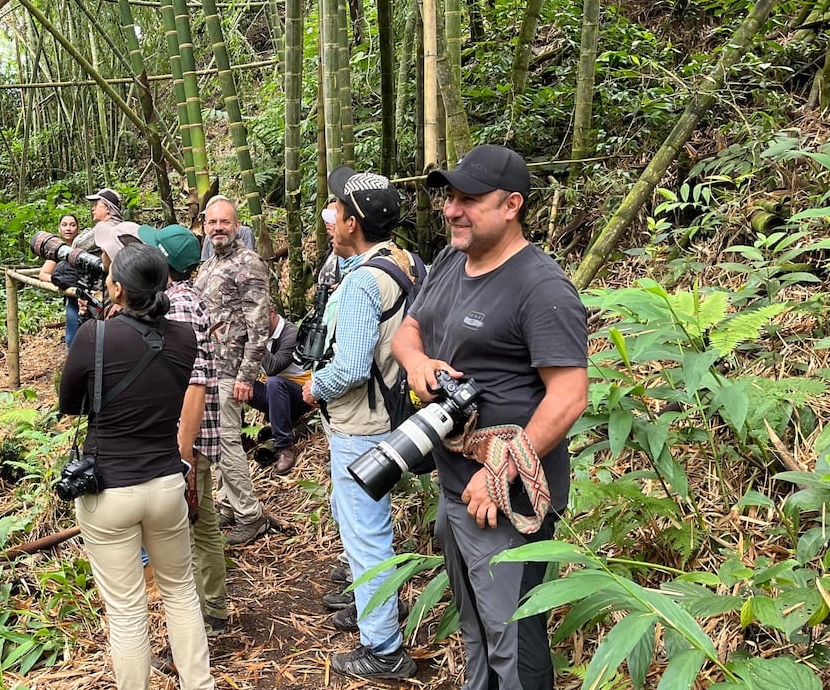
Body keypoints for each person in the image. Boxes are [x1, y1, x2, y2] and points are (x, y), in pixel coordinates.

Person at [395, 144, 588, 690]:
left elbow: (569, 396)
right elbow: (411, 328)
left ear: (511, 206)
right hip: (457, 486)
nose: (453, 209)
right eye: (450, 197)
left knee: (515, 637)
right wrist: (417, 363)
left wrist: (499, 470)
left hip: (507, 498)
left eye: (470, 200)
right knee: (476, 626)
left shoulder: (541, 287)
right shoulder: (451, 262)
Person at [58, 243, 216, 690]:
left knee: (127, 610)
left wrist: (97, 327)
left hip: (109, 490)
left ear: (118, 288)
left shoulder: (95, 336)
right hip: (167, 483)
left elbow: (70, 403)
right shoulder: (185, 338)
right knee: (181, 593)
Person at [300, 165, 424, 680]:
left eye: (335, 211)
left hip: (361, 425)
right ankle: (368, 603)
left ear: (352, 222)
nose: (329, 218)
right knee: (367, 526)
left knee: (365, 533)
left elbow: (348, 368)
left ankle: (383, 649)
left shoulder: (358, 286)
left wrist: (312, 389)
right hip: (398, 414)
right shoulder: (410, 261)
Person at [137, 223, 230, 638]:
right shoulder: (182, 299)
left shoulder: (179, 307)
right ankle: (212, 610)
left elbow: (194, 381)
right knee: (203, 523)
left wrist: (183, 452)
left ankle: (203, 619)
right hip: (193, 437)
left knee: (190, 530)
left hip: (187, 439)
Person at [193, 196, 273, 545]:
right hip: (210, 367)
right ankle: (226, 502)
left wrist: (247, 375)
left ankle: (250, 515)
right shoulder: (209, 263)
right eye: (212, 223)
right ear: (204, 226)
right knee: (214, 441)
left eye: (224, 222)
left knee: (227, 443)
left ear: (237, 225)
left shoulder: (248, 263)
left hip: (232, 369)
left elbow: (259, 325)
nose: (218, 229)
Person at [244, 307, 313, 475]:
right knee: (238, 381)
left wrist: (255, 340)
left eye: (258, 320)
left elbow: (272, 367)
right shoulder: (262, 336)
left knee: (274, 382)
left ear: (272, 312)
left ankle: (286, 446)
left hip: (301, 396)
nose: (255, 326)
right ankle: (243, 437)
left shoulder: (292, 333)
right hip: (275, 398)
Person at [39, 213, 82, 347]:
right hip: (74, 300)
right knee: (71, 340)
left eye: (72, 225)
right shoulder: (57, 251)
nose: (68, 228)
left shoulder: (85, 246)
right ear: (59, 229)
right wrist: (61, 282)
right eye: (64, 225)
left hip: (92, 298)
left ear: (78, 228)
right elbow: (43, 274)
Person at [73, 187, 125, 254]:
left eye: (96, 204)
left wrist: (86, 231)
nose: (93, 208)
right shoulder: (123, 227)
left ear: (107, 208)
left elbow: (77, 246)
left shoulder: (104, 228)